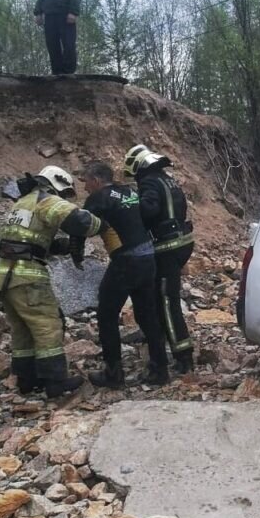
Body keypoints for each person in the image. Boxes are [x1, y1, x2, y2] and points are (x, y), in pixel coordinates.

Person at [0, 166, 102, 398]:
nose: (63, 199)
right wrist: (102, 222)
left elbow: (27, 240)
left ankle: (27, 381)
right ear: (56, 184)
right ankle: (56, 382)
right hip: (26, 275)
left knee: (23, 329)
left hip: (2, 274)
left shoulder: (22, 203)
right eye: (64, 194)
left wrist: (60, 246)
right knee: (48, 325)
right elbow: (81, 221)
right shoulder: (46, 201)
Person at [79, 160, 169, 387]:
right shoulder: (128, 191)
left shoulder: (98, 198)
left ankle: (113, 374)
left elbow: (80, 225)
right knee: (147, 315)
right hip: (148, 258)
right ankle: (160, 370)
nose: (85, 187)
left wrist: (74, 251)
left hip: (126, 261)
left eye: (86, 182)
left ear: (97, 180)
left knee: (107, 314)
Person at [124, 144, 195, 373]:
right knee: (160, 298)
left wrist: (130, 206)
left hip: (167, 248)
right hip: (180, 242)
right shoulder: (167, 179)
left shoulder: (149, 183)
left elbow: (149, 210)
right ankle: (160, 341)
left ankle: (183, 356)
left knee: (166, 302)